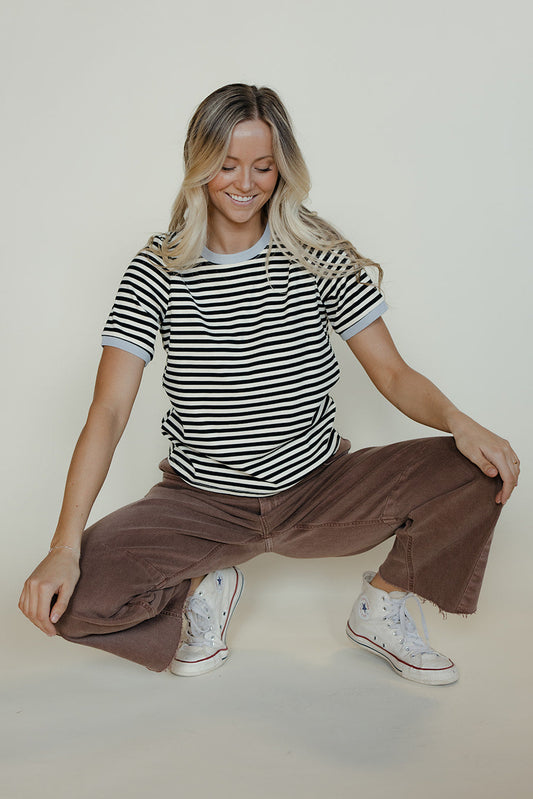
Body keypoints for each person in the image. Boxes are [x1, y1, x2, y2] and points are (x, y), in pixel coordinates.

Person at [19, 83, 519, 686]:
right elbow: (108, 411)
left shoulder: (314, 252)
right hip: (200, 503)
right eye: (227, 165)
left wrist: (461, 422)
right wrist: (63, 548)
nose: (245, 183)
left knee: (478, 468)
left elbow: (391, 373)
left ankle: (382, 606)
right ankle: (204, 587)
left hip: (318, 490)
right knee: (66, 603)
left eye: (263, 166)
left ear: (283, 169)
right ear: (198, 165)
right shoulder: (158, 266)